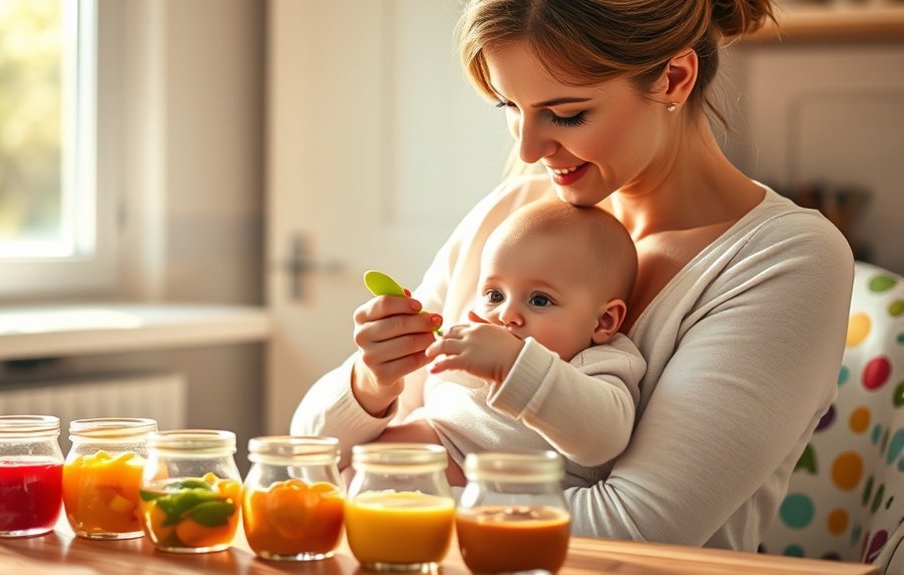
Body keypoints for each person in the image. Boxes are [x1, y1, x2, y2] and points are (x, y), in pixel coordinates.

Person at [291, 0, 854, 552]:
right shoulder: (518, 213)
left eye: (566, 114)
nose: (530, 148)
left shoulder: (787, 257)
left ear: (675, 78)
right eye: (508, 106)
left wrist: (384, 496)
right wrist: (371, 383)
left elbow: (636, 529)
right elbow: (307, 456)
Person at [373, 198, 645, 489]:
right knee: (367, 461)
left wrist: (513, 363)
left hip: (482, 485)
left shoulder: (602, 362)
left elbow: (604, 439)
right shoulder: (478, 337)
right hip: (438, 441)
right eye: (495, 295)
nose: (506, 315)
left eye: (539, 300)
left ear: (604, 321)